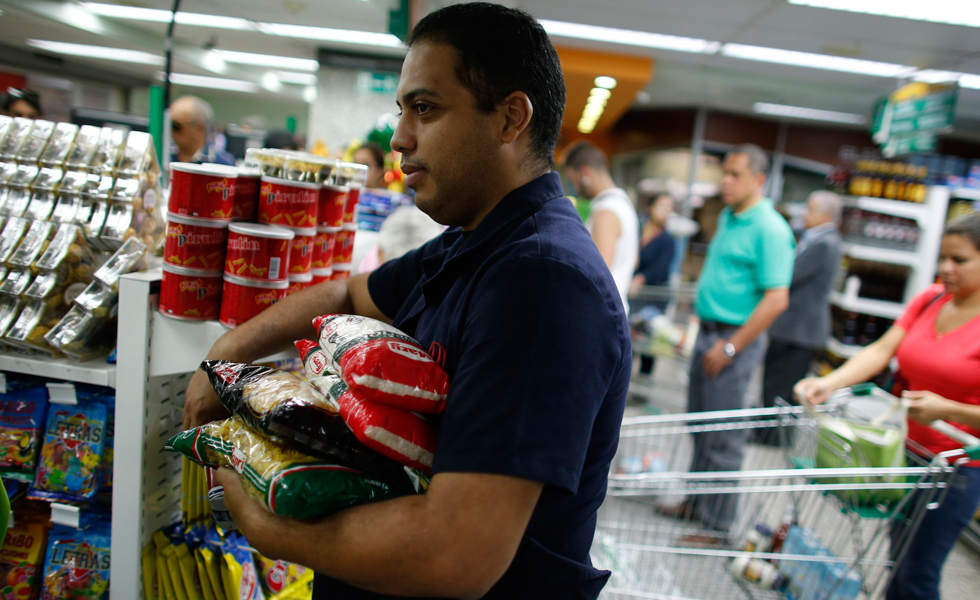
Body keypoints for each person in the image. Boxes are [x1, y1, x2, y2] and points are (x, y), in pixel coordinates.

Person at [182, 4, 630, 599]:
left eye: (426, 108)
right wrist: (226, 359)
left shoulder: (542, 284)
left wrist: (262, 519)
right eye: (402, 110)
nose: (398, 137)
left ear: (509, 119)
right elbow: (347, 292)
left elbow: (455, 554)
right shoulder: (471, 242)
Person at [796, 212, 980, 600]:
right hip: (906, 454)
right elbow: (882, 350)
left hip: (958, 468)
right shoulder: (930, 299)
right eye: (943, 257)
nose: (945, 268)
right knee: (897, 562)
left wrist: (949, 409)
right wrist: (829, 382)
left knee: (918, 573)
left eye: (959, 260)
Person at [660, 144, 794, 539]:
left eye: (736, 174)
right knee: (700, 427)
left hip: (735, 343)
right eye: (725, 173)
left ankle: (718, 526)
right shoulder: (727, 216)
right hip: (710, 334)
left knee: (723, 436)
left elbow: (776, 298)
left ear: (759, 180)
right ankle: (697, 503)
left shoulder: (770, 229)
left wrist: (732, 346)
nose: (726, 181)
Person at [756, 191, 843, 445]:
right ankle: (769, 433)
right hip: (794, 327)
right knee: (776, 381)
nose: (804, 214)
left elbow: (789, 275)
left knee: (781, 384)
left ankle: (773, 437)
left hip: (799, 329)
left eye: (810, 209)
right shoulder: (818, 239)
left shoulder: (825, 243)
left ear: (825, 215)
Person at [562, 142, 640, 313]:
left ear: (585, 173)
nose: (574, 188)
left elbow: (596, 273)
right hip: (614, 311)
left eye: (573, 180)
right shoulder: (624, 204)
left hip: (602, 314)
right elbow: (634, 261)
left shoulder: (606, 211)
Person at [630, 193, 676, 378]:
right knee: (629, 339)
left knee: (648, 343)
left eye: (669, 207)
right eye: (662, 205)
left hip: (652, 296)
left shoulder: (667, 239)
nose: (665, 211)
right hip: (634, 295)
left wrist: (641, 277)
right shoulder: (638, 231)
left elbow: (662, 268)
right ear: (652, 207)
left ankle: (643, 382)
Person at [169, 96, 235, 166]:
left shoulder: (222, 165)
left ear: (199, 128)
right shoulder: (163, 156)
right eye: (168, 125)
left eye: (176, 126)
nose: (171, 131)